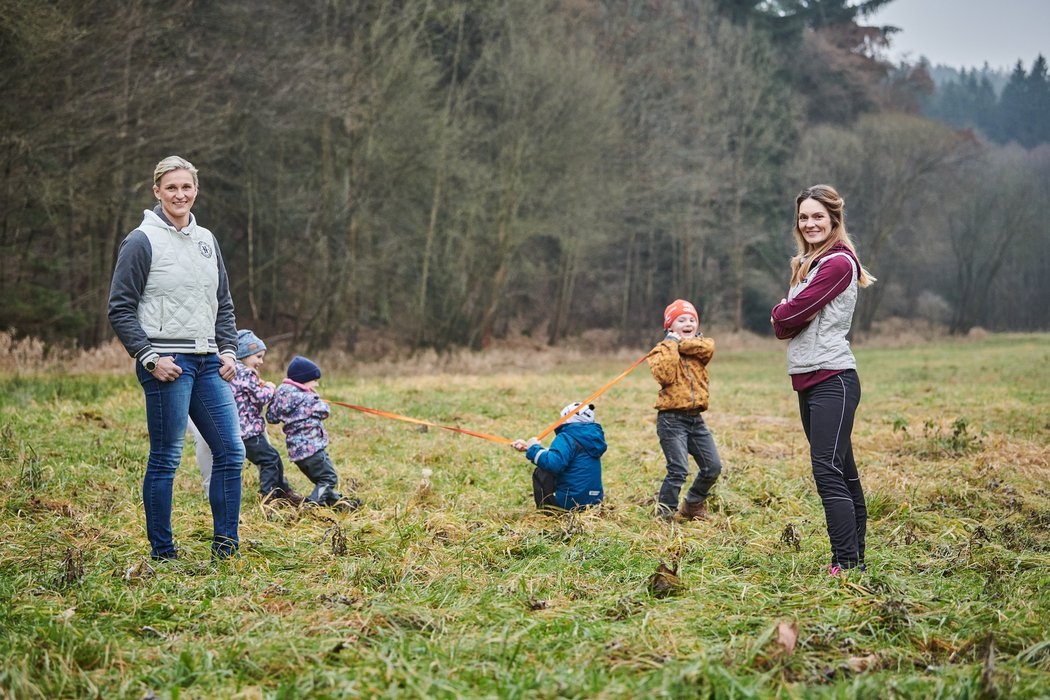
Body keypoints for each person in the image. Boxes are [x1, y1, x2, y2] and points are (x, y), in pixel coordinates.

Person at [108, 155, 244, 560]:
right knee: (167, 458)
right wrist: (150, 357)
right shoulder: (140, 241)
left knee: (231, 452)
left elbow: (223, 304)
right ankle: (163, 553)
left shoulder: (207, 241)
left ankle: (226, 548)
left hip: (208, 362)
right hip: (167, 364)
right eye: (171, 187)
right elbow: (120, 307)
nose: (179, 194)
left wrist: (230, 351)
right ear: (157, 192)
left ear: (196, 190)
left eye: (186, 187)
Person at [770, 184, 876, 577]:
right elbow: (788, 325)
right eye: (803, 217)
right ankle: (856, 561)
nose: (810, 223)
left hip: (833, 378)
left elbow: (787, 316)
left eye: (818, 216)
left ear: (834, 219)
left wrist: (783, 311)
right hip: (809, 378)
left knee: (827, 471)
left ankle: (846, 563)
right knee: (842, 470)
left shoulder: (837, 264)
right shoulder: (809, 264)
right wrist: (787, 314)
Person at [647, 299, 723, 521]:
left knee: (713, 467)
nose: (688, 323)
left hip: (696, 419)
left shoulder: (698, 350)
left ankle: (692, 504)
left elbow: (708, 345)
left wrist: (681, 343)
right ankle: (665, 515)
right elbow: (665, 375)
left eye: (692, 319)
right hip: (671, 420)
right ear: (670, 326)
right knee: (678, 469)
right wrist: (671, 343)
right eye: (681, 320)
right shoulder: (661, 350)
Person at [266, 355, 360, 512]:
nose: (316, 384)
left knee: (322, 481)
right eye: (314, 380)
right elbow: (324, 411)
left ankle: (341, 505)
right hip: (312, 449)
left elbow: (271, 417)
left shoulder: (282, 395)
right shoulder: (307, 399)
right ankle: (311, 505)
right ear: (303, 380)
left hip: (297, 452)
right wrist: (314, 396)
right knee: (328, 478)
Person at [230, 329, 305, 506]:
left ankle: (283, 490)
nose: (261, 362)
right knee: (268, 459)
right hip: (246, 433)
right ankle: (267, 497)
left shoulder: (235, 372)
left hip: (242, 430)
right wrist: (270, 387)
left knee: (273, 457)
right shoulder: (244, 373)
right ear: (244, 354)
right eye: (258, 356)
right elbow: (261, 397)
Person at [511, 402, 606, 511]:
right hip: (594, 502)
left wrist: (534, 448)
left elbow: (553, 463)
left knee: (542, 471)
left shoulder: (566, 436)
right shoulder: (592, 438)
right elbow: (569, 456)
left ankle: (548, 510)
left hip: (570, 503)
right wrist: (529, 448)